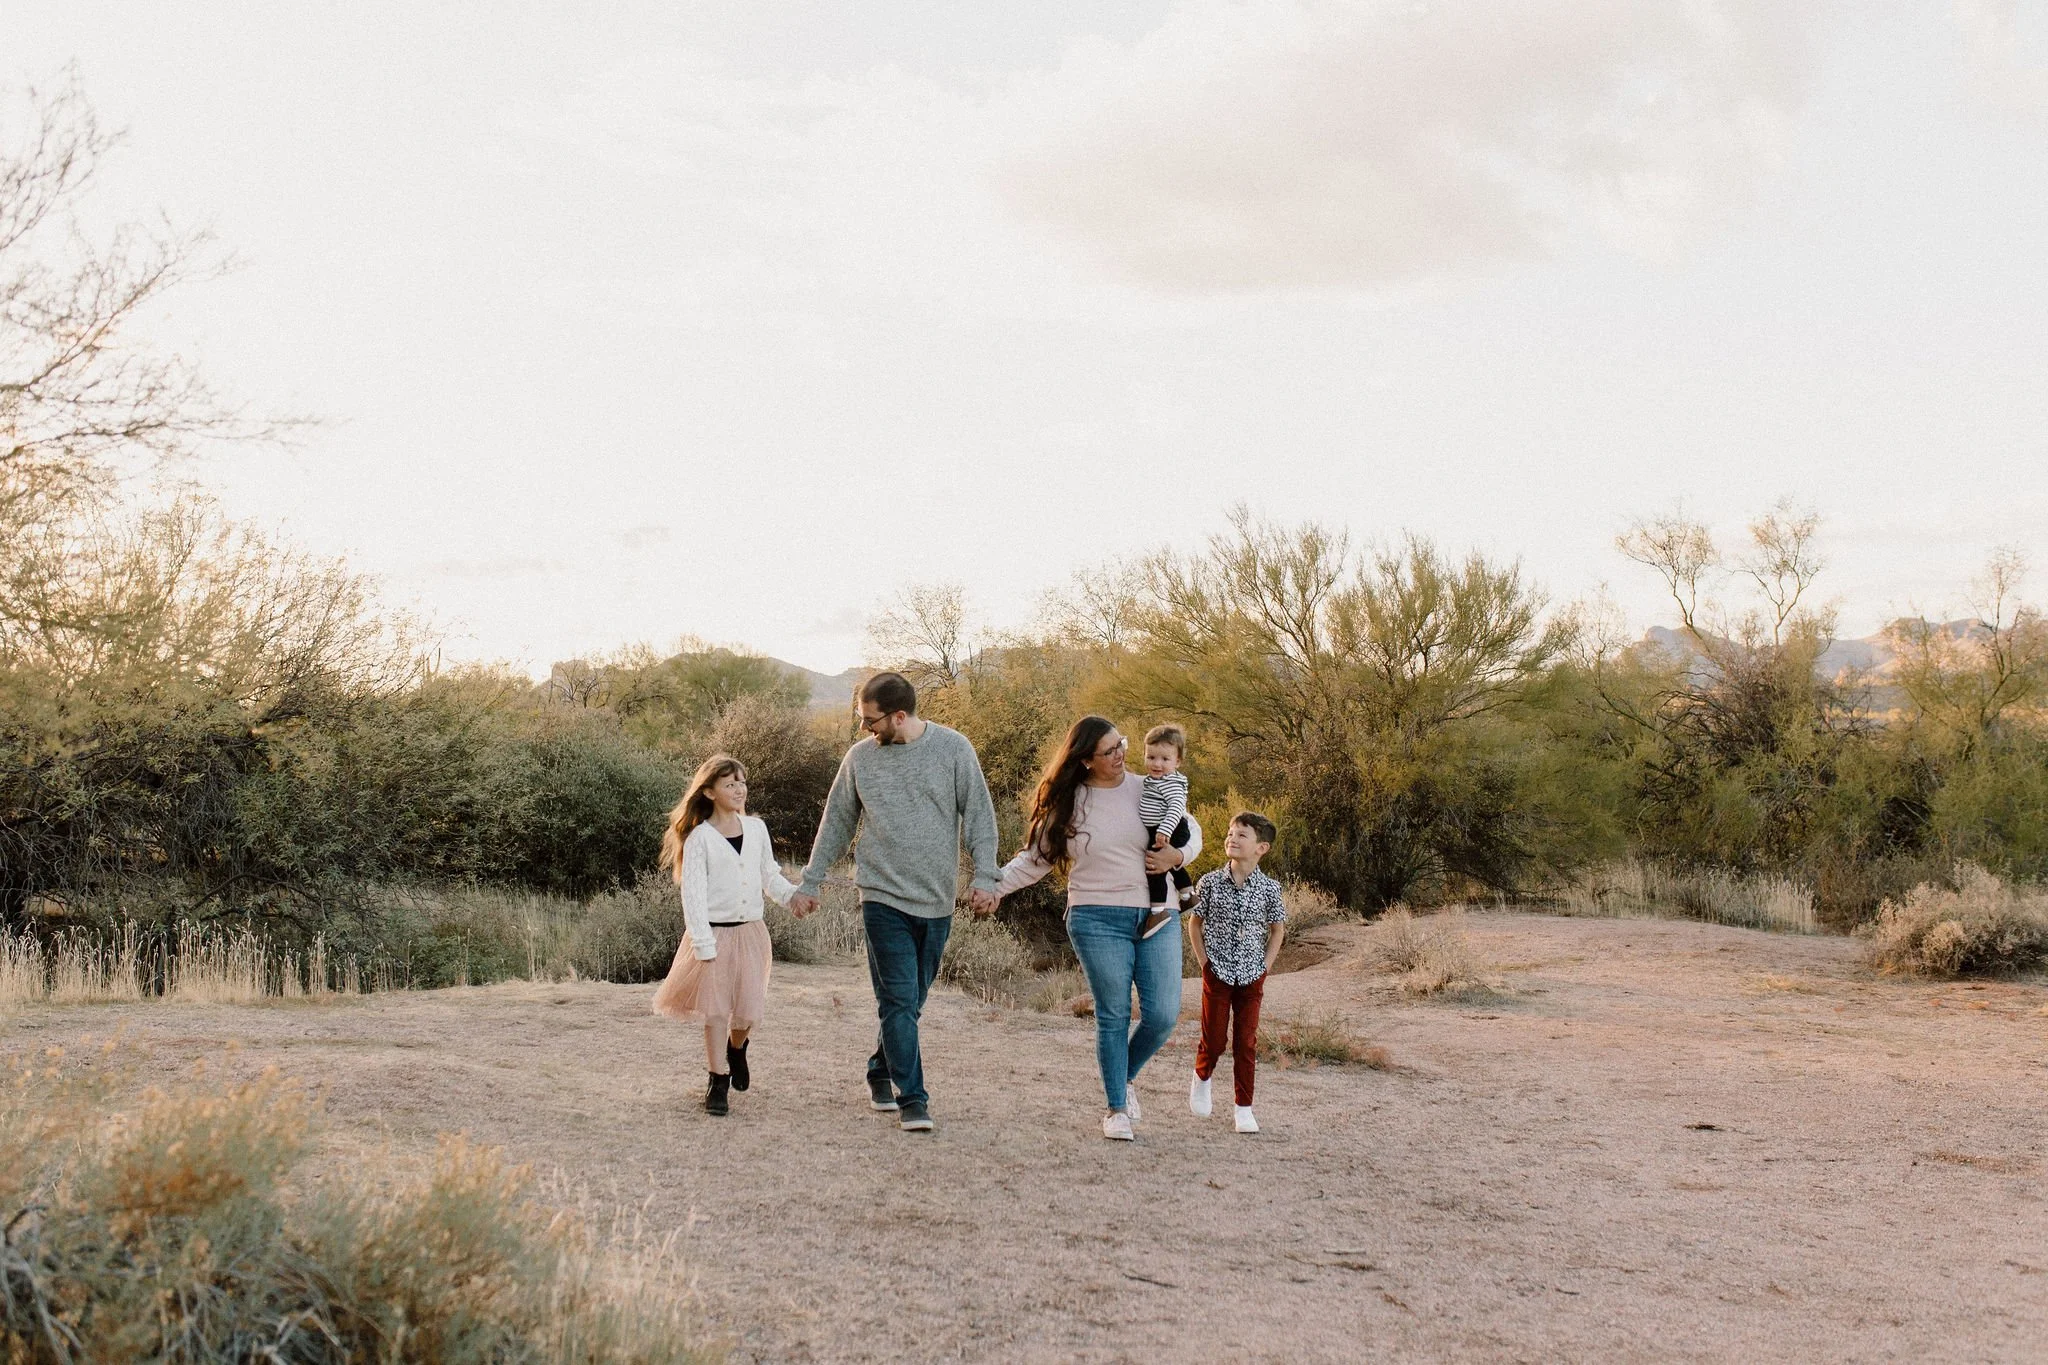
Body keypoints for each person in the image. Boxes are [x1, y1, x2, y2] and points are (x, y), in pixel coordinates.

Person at [788, 671, 1001, 1134]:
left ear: (899, 716)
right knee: (898, 1000)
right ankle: (914, 1100)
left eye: (870, 721)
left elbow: (980, 817)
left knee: (910, 1003)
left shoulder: (953, 749)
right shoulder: (860, 759)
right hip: (881, 896)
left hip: (937, 899)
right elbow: (837, 822)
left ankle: (880, 1070)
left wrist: (987, 876)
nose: (864, 729)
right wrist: (811, 880)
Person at [993, 716, 1201, 1141]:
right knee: (1114, 1014)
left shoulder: (1150, 786)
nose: (1121, 753)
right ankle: (1116, 1108)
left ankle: (1122, 1076)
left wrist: (1176, 858)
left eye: (1121, 744)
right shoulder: (1070, 803)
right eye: (1110, 750)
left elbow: (1190, 829)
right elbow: (1034, 861)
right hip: (1095, 916)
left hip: (1156, 914)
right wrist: (991, 888)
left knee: (1161, 1016)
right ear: (1086, 759)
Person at [651, 754, 798, 1117]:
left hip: (751, 933)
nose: (739, 789)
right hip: (713, 936)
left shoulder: (758, 830)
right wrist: (702, 943)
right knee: (716, 1012)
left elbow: (769, 877)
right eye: (730, 784)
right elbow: (693, 895)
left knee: (746, 1012)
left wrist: (794, 898)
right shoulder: (700, 838)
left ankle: (737, 1049)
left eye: (742, 782)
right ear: (710, 792)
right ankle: (717, 1081)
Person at [1187, 811, 1286, 1135]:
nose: (1232, 838)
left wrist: (1265, 967)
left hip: (1252, 975)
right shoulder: (1211, 882)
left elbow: (1277, 930)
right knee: (1214, 1039)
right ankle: (1202, 1076)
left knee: (1246, 1043)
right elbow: (1194, 924)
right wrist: (1204, 963)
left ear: (1262, 848)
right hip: (1217, 973)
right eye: (1231, 833)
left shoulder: (1270, 888)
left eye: (1242, 835)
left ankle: (1244, 1109)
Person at [1136, 722, 1196, 940]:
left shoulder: (1170, 783)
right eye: (1151, 757)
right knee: (1170, 865)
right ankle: (1188, 895)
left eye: (1164, 759)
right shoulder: (1154, 781)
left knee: (1155, 868)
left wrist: (1164, 830)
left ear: (1177, 761)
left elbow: (1177, 807)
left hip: (1168, 829)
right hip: (1163, 829)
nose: (1157, 764)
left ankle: (1157, 911)